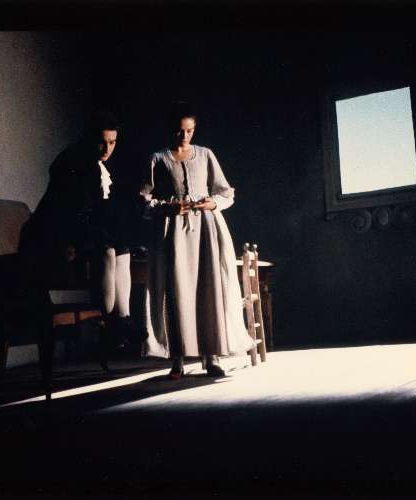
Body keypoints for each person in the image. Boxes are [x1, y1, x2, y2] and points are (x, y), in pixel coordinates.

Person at [140, 104, 254, 378]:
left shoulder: (205, 155)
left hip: (205, 228)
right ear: (171, 129)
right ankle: (177, 359)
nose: (184, 136)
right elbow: (144, 199)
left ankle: (211, 356)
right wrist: (168, 207)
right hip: (174, 231)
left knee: (208, 289)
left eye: (189, 131)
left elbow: (225, 192)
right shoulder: (158, 159)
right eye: (180, 130)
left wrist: (212, 203)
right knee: (177, 290)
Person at [19, 112, 142, 345]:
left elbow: (96, 211)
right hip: (50, 234)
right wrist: (69, 242)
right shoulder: (73, 162)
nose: (107, 149)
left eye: (112, 143)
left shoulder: (96, 164)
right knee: (107, 250)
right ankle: (110, 321)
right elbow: (65, 210)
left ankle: (122, 320)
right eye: (102, 142)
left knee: (122, 248)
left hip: (79, 227)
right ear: (90, 139)